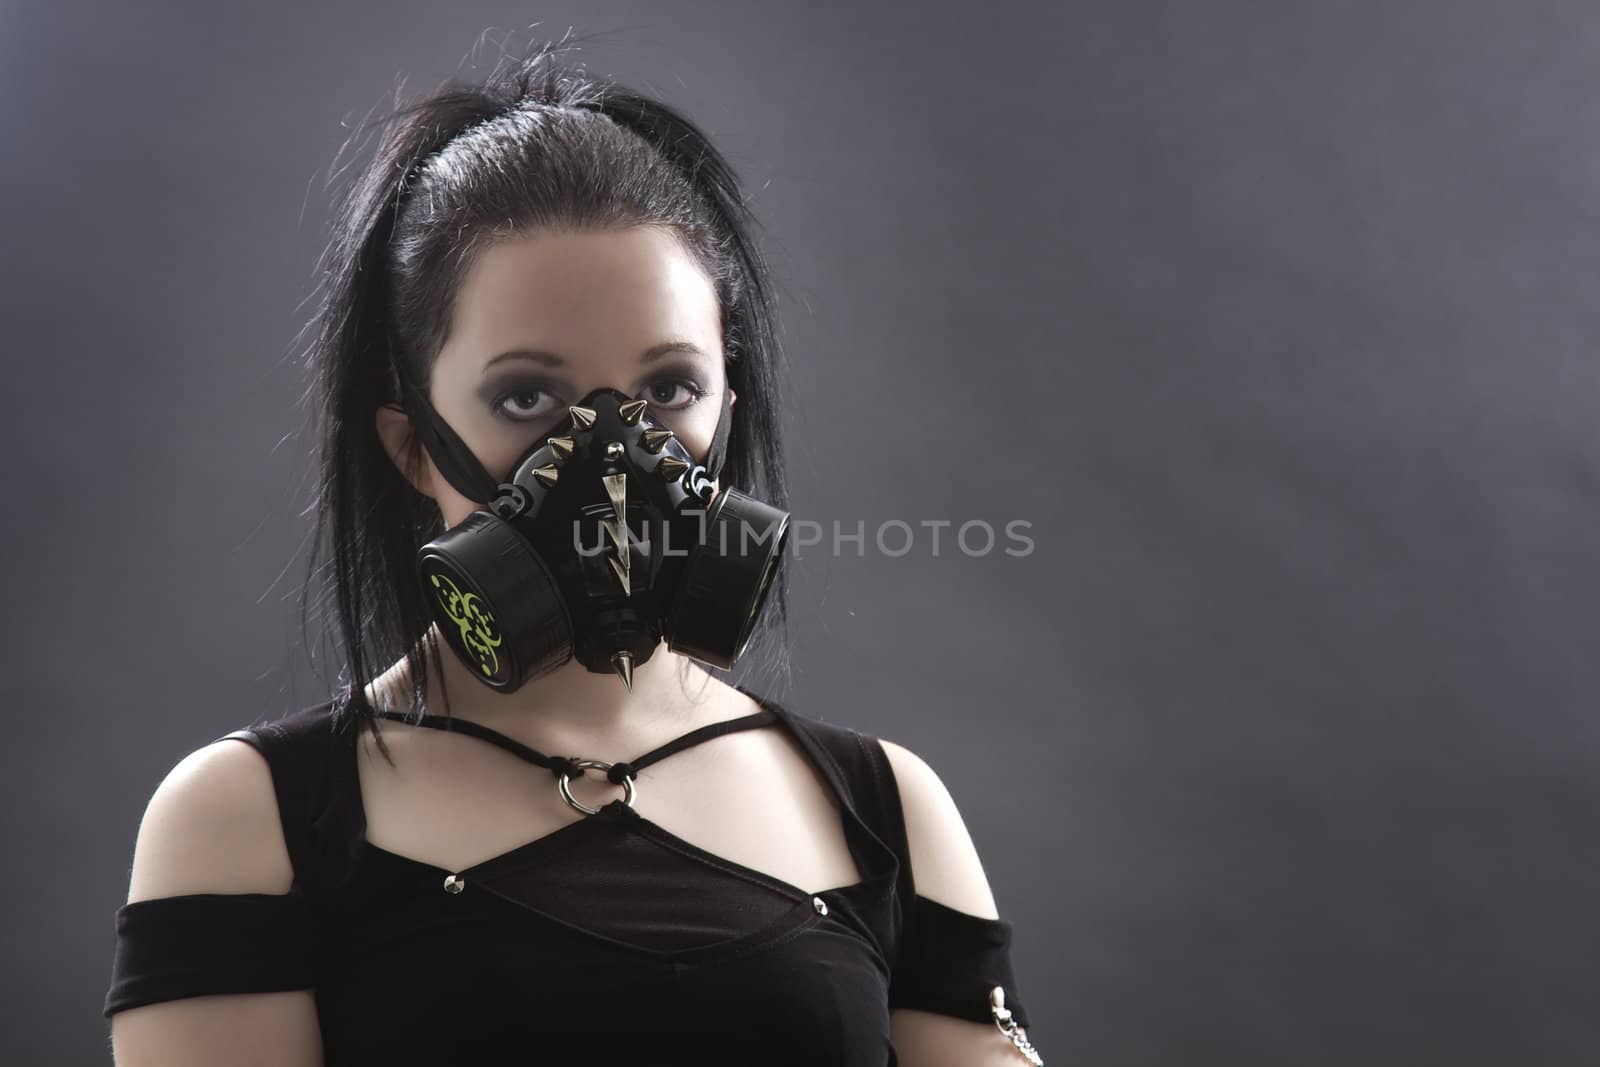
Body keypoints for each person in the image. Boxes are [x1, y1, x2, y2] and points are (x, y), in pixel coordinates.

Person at [103, 37, 1041, 1066]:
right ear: (412, 444)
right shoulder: (254, 817)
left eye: (669, 389)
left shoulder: (883, 809)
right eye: (526, 396)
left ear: (731, 402)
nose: (610, 453)